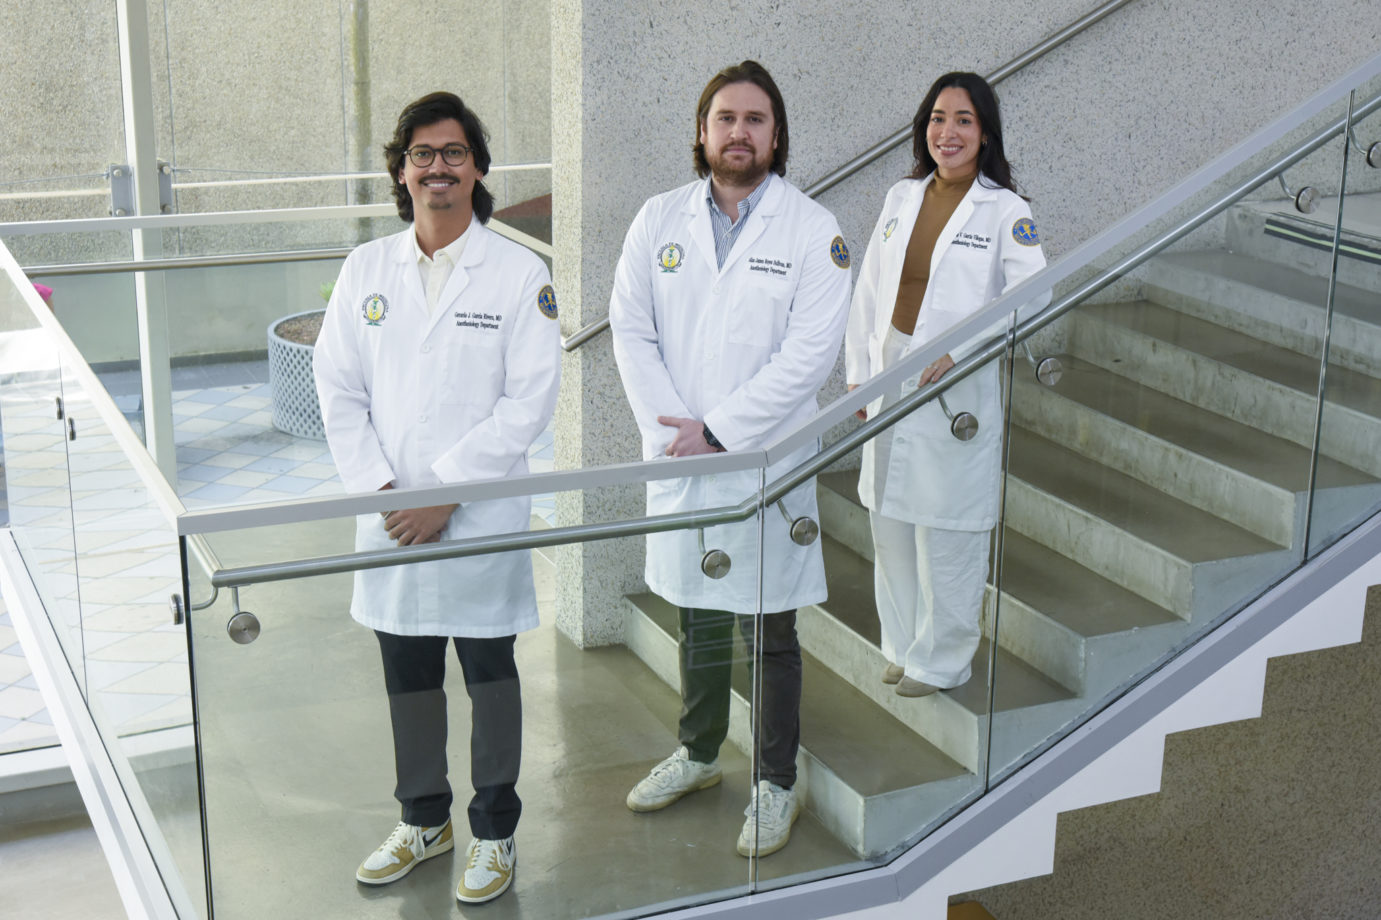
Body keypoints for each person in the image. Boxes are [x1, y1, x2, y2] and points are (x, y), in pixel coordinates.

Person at [313, 91, 561, 905]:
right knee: (408, 673)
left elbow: (528, 403)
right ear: (400, 171)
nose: (437, 167)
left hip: (477, 515)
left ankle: (493, 830)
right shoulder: (366, 269)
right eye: (421, 154)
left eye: (453, 152)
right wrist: (384, 491)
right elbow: (336, 386)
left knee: (489, 673)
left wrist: (443, 496)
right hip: (391, 518)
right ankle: (424, 820)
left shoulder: (519, 274)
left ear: (478, 169)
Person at [609, 60, 852, 858]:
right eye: (725, 118)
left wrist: (716, 431)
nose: (738, 132)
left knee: (769, 626)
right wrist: (674, 431)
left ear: (775, 136)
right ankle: (699, 752)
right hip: (680, 451)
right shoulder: (656, 219)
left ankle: (775, 781)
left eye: (754, 119)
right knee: (698, 613)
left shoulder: (812, 229)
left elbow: (810, 356)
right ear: (702, 131)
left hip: (762, 461)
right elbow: (630, 331)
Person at [844, 72, 1047, 698]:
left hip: (953, 385)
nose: (948, 132)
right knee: (889, 520)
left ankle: (943, 660)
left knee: (947, 528)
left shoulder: (1006, 210)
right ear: (923, 128)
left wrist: (963, 347)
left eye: (963, 120)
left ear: (985, 134)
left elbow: (1034, 295)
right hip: (890, 371)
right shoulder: (901, 196)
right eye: (938, 118)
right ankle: (903, 646)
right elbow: (869, 290)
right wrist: (858, 376)